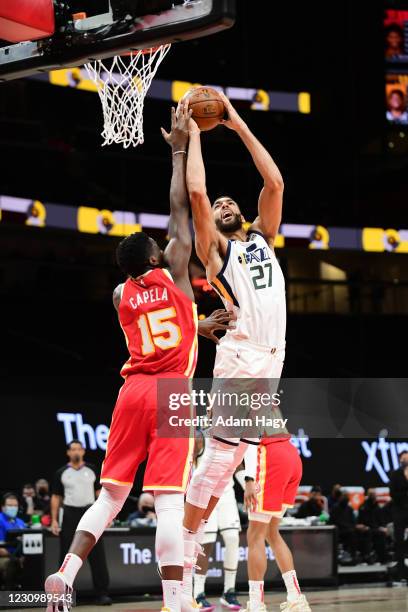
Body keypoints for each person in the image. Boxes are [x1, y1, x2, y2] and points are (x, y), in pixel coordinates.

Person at [45, 104, 235, 612]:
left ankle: (65, 572)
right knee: (170, 501)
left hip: (131, 392)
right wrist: (178, 149)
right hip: (171, 390)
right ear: (155, 258)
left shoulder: (117, 294)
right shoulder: (174, 270)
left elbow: (157, 327)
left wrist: (195, 324)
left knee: (110, 496)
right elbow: (178, 208)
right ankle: (176, 601)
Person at [182, 92, 287, 602]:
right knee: (219, 460)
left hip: (272, 359)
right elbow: (198, 196)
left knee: (233, 458)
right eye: (220, 205)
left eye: (230, 201)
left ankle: (186, 540)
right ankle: (183, 544)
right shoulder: (215, 252)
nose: (223, 203)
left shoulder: (262, 238)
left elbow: (274, 182)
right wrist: (198, 135)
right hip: (244, 354)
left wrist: (236, 122)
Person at [244, 438, 310, 612]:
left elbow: (250, 442)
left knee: (255, 535)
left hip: (270, 457)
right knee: (271, 533)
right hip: (291, 455)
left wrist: (249, 480)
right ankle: (296, 599)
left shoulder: (237, 410)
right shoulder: (268, 408)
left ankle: (256, 605)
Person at [50, 439, 111, 605]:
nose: (76, 452)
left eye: (79, 449)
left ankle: (102, 593)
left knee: (97, 554)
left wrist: (107, 515)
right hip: (70, 513)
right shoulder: (61, 472)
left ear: (83, 451)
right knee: (67, 554)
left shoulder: (92, 469)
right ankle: (64, 595)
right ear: (68, 453)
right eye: (73, 449)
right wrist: (54, 520)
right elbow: (56, 497)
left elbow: (101, 494)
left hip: (91, 512)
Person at [192, 432, 242, 611]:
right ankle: (197, 594)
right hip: (205, 491)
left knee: (233, 538)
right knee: (207, 542)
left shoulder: (233, 433)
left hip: (226, 493)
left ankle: (229, 591)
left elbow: (238, 465)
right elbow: (189, 464)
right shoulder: (199, 435)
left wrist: (249, 487)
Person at [389, 451, 408, 582]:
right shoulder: (395, 474)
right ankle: (401, 573)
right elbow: (393, 494)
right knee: (399, 542)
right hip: (400, 511)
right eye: (404, 458)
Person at [0, 493, 25, 589]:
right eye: (10, 505)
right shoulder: (0, 520)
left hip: (20, 556)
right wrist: (15, 557)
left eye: (15, 506)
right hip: (5, 556)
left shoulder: (20, 522)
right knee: (11, 563)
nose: (13, 508)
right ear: (3, 507)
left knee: (34, 561)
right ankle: (8, 598)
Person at [357, 489, 387, 564]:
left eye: (374, 494)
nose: (373, 496)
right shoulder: (363, 507)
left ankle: (382, 558)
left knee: (381, 534)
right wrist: (364, 526)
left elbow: (381, 520)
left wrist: (383, 527)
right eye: (371, 494)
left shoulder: (378, 507)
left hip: (376, 528)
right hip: (366, 528)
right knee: (368, 534)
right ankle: (367, 557)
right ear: (368, 496)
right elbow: (361, 521)